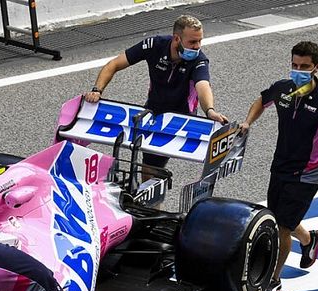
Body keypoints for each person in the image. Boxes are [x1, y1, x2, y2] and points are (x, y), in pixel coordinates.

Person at [239, 41, 318, 291]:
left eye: (304, 67)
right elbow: (261, 100)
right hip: (280, 165)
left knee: (282, 227)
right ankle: (310, 239)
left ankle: (274, 280)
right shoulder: (283, 89)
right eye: (294, 65)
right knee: (278, 217)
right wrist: (247, 122)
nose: (298, 70)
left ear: (317, 68)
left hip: (307, 173)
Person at [85, 15, 228, 174]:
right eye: (192, 42)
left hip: (179, 119)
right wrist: (97, 90)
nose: (197, 46)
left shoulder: (199, 60)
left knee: (152, 168)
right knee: (144, 166)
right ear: (176, 39)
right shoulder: (154, 45)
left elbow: (203, 86)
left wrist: (210, 110)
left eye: (200, 41)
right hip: (153, 111)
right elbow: (114, 64)